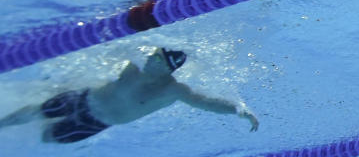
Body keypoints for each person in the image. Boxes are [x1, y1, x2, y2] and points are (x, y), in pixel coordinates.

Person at [0, 47, 258, 144]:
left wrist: (238, 109)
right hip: (84, 98)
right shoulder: (133, 66)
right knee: (38, 110)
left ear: (167, 67)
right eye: (152, 54)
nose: (148, 57)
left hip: (96, 121)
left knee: (47, 138)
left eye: (155, 57)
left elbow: (206, 102)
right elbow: (102, 50)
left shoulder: (172, 89)